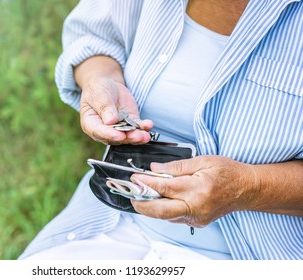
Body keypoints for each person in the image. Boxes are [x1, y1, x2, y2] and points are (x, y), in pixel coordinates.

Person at [19, 0, 303, 260]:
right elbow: (93, 34)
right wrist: (102, 78)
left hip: (253, 253)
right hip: (112, 219)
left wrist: (247, 187)